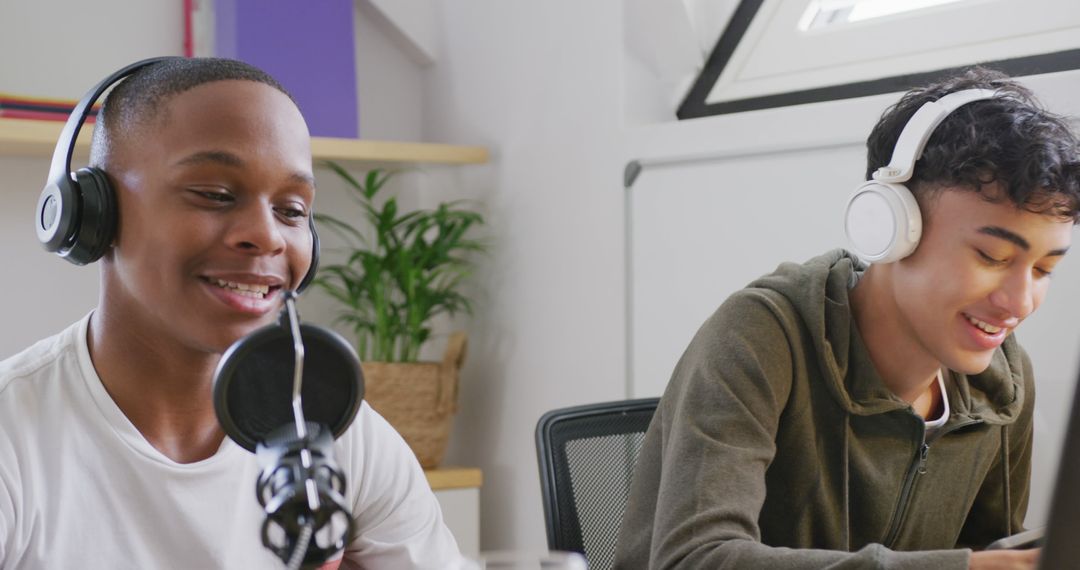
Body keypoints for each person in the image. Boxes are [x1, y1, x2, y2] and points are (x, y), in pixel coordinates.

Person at [0, 57, 471, 569]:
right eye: (215, 195)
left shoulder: (339, 436)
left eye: (292, 210)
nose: (267, 235)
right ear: (94, 214)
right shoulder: (14, 437)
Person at [614, 67, 1080, 569]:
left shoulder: (1002, 382)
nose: (1020, 302)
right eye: (991, 257)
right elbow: (693, 560)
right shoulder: (760, 335)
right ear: (890, 227)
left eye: (1044, 268)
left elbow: (997, 553)